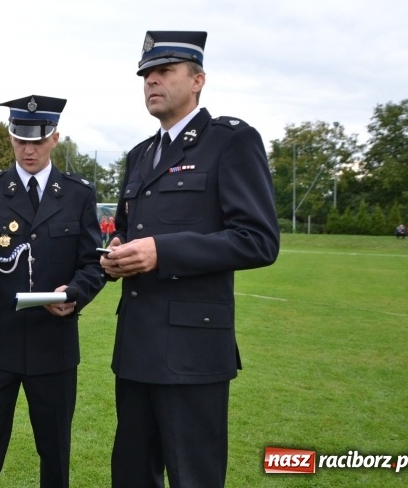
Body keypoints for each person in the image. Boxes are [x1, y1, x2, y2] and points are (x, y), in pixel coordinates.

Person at [101, 31, 280, 487]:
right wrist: (119, 253)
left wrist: (163, 252)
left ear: (198, 80)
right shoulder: (141, 155)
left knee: (193, 477)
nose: (151, 81)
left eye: (164, 72)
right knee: (131, 475)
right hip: (137, 345)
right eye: (146, 74)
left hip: (192, 351)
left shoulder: (230, 142)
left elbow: (258, 239)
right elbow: (133, 228)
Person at [0, 94, 106, 488]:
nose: (28, 149)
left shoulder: (79, 194)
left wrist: (75, 294)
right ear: (11, 138)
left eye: (38, 140)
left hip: (55, 347)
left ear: (55, 138)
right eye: (21, 140)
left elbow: (93, 263)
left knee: (55, 457)